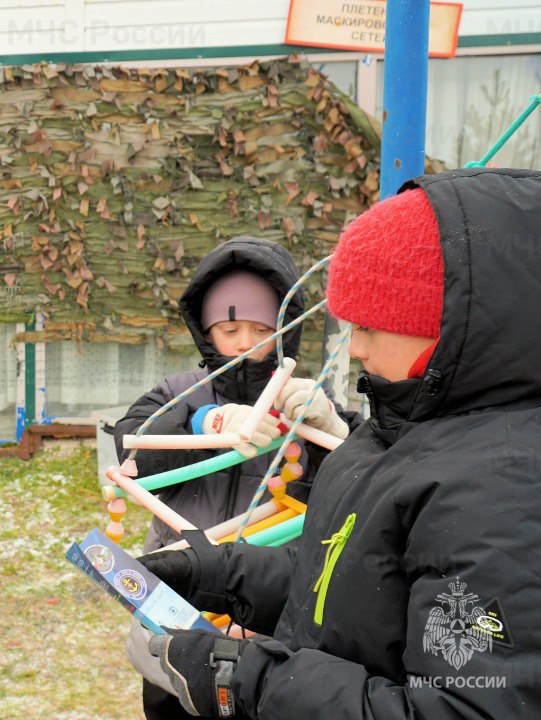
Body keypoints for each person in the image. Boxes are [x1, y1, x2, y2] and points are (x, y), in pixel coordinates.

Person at [142, 169, 541, 719]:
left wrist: (255, 685)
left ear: (446, 326)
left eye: (370, 325)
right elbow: (350, 575)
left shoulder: (510, 494)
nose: (355, 348)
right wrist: (218, 574)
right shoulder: (402, 427)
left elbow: (466, 707)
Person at [113, 236, 356, 719]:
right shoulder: (177, 393)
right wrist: (205, 425)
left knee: (254, 700)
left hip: (267, 603)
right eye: (230, 328)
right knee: (172, 698)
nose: (245, 343)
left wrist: (332, 428)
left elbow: (352, 490)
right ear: (205, 331)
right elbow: (130, 449)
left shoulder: (303, 399)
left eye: (260, 329)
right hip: (182, 591)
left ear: (284, 332)